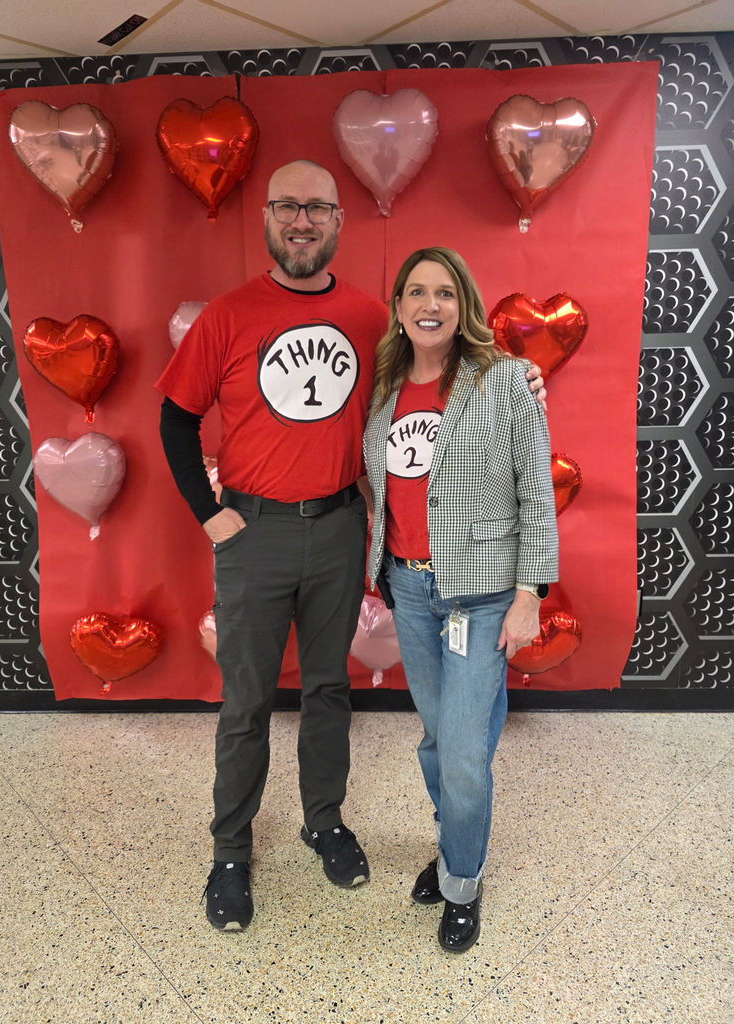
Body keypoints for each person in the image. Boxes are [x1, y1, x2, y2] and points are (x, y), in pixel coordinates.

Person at [157, 162, 545, 933]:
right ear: (269, 216)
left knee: (329, 689)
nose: (303, 221)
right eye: (289, 206)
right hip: (254, 529)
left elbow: (442, 370)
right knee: (246, 703)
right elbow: (175, 417)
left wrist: (521, 377)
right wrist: (209, 514)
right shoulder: (229, 316)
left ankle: (323, 821)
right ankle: (231, 852)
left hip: (340, 528)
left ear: (339, 221)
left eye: (319, 209)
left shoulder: (375, 317)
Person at [363, 247, 558, 954]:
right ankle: (454, 843)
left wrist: (531, 591)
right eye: (416, 291)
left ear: (464, 304)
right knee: (436, 739)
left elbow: (536, 490)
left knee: (467, 754)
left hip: (480, 598)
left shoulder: (504, 382)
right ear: (398, 307)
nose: (430, 305)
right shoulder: (383, 392)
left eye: (445, 292)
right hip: (411, 588)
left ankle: (462, 882)